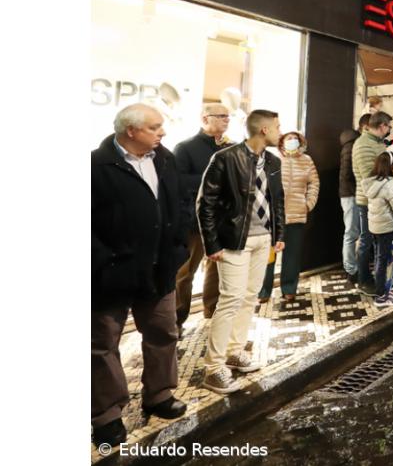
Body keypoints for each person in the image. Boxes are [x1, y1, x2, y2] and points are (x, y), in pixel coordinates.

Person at [92, 104, 190, 448]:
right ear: (130, 131)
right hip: (112, 275)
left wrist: (179, 247)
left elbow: (179, 204)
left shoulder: (164, 159)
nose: (162, 132)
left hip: (159, 270)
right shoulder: (95, 165)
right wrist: (102, 262)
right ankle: (106, 414)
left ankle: (159, 394)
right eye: (154, 127)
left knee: (164, 332)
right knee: (103, 345)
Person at [198, 109, 286, 394]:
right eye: (277, 126)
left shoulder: (272, 160)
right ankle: (214, 368)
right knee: (230, 299)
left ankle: (235, 351)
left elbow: (277, 200)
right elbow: (206, 203)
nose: (280, 131)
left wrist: (278, 234)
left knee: (250, 297)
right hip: (235, 239)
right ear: (263, 130)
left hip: (263, 240)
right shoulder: (225, 158)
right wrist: (211, 244)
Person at [172, 103, 232, 330]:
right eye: (222, 116)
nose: (227, 120)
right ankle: (177, 319)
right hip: (194, 222)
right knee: (186, 272)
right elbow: (179, 181)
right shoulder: (185, 148)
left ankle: (213, 312)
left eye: (228, 116)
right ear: (205, 118)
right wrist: (214, 181)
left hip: (222, 220)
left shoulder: (231, 147)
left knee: (217, 270)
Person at [259, 131, 319, 303]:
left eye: (295, 139)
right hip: (273, 215)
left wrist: (308, 204)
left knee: (292, 255)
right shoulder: (272, 158)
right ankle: (263, 291)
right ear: (281, 142)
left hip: (297, 214)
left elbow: (314, 183)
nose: (292, 141)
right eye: (289, 138)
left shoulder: (307, 160)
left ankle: (289, 288)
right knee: (268, 255)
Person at [352, 112, 392, 293]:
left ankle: (380, 276)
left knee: (379, 241)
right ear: (382, 126)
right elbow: (369, 175)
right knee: (366, 240)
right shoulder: (363, 144)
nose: (389, 130)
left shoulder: (378, 143)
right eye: (388, 126)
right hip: (368, 201)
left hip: (381, 199)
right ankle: (363, 279)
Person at [366, 152, 393, 307]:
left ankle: (381, 289)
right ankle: (381, 295)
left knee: (379, 258)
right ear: (392, 166)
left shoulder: (373, 181)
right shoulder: (389, 184)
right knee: (383, 260)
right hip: (387, 226)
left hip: (375, 226)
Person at [339, 116, 366, 283]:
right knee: (351, 232)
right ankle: (350, 268)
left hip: (357, 193)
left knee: (358, 232)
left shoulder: (358, 144)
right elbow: (347, 174)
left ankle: (355, 266)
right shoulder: (352, 145)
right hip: (351, 194)